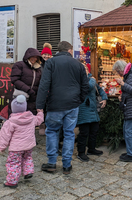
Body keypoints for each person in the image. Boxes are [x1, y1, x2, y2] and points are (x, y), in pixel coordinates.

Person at [36, 41, 89, 175]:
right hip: (72, 104)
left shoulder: (51, 63)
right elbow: (85, 86)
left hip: (55, 104)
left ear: (58, 51)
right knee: (69, 133)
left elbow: (44, 85)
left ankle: (52, 163)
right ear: (70, 50)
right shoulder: (78, 65)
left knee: (52, 131)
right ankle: (66, 164)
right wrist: (79, 100)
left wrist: (39, 106)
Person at [0, 95, 44, 188]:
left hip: (16, 148)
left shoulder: (10, 122)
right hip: (29, 145)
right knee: (27, 157)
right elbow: (39, 120)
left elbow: (4, 136)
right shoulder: (31, 118)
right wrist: (40, 113)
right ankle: (28, 171)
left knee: (14, 162)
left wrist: (2, 147)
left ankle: (12, 181)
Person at [113, 60, 132, 162]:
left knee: (129, 131)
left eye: (118, 71)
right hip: (131, 107)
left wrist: (122, 84)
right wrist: (123, 96)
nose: (118, 74)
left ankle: (131, 154)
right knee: (128, 130)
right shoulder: (130, 75)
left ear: (121, 69)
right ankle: (131, 151)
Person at [77, 64, 107, 162]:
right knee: (84, 132)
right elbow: (89, 86)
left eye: (86, 68)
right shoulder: (78, 79)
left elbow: (100, 89)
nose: (85, 70)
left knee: (94, 130)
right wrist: (93, 79)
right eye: (83, 68)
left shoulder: (90, 79)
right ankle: (81, 153)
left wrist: (104, 98)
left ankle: (91, 149)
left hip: (93, 110)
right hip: (83, 109)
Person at [10, 48, 42, 115]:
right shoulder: (19, 65)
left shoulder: (38, 69)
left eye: (36, 57)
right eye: (33, 57)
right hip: (19, 97)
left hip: (32, 99)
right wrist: (28, 90)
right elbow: (15, 79)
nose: (35, 59)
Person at [39, 43, 53, 135]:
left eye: (47, 54)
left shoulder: (52, 64)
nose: (46, 56)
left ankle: (47, 126)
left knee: (48, 109)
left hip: (50, 91)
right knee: (41, 109)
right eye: (44, 54)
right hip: (41, 89)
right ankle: (41, 125)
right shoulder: (39, 66)